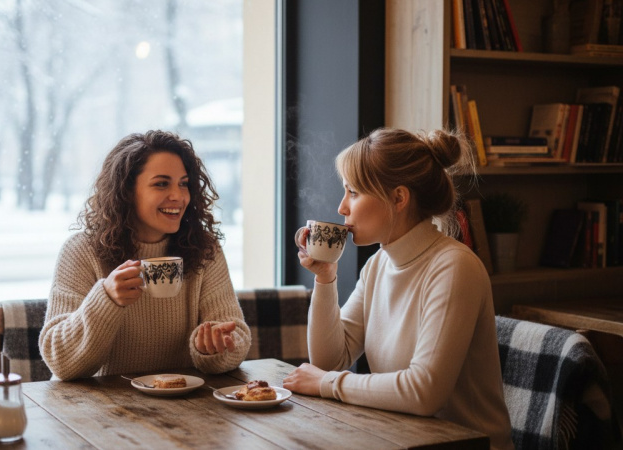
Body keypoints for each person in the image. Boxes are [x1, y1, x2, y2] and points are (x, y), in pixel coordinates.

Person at [284, 128, 513, 449]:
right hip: (401, 441)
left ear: (399, 198)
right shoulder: (378, 265)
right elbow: (330, 359)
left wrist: (326, 384)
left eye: (352, 192)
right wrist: (324, 278)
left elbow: (424, 393)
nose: (341, 208)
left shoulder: (454, 267)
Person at [39, 130, 250, 380]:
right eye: (161, 183)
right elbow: (61, 363)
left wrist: (212, 349)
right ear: (126, 191)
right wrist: (106, 298)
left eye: (184, 183)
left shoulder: (205, 250)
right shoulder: (82, 251)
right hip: (99, 411)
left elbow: (235, 336)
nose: (179, 196)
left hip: (183, 408)